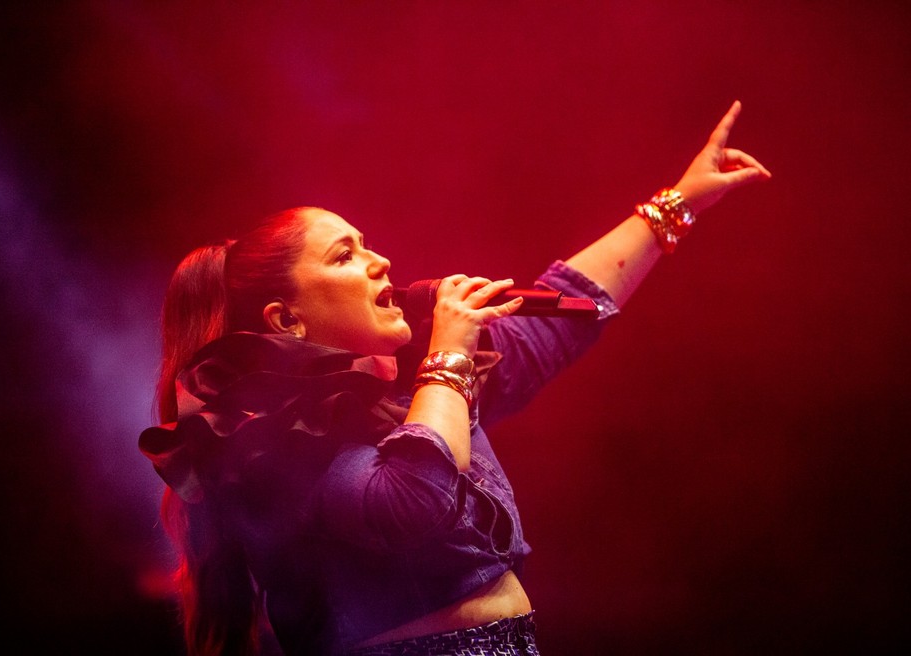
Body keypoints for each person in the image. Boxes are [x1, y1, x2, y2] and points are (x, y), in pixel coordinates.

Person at [139, 101, 771, 656]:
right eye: (345, 255)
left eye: (366, 243)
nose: (380, 261)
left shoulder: (412, 397)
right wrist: (449, 355)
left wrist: (678, 202)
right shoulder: (271, 434)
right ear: (287, 319)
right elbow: (410, 501)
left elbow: (552, 324)